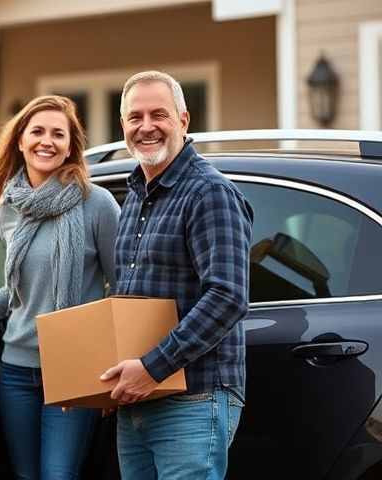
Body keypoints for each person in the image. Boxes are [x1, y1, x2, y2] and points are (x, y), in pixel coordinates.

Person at [0, 95, 121, 480]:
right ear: (20, 141)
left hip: (76, 365)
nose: (47, 141)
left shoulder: (98, 205)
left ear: (71, 146)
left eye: (59, 134)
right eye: (37, 131)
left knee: (58, 475)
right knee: (25, 476)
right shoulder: (10, 208)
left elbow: (123, 286)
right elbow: (20, 282)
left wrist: (109, 367)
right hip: (17, 368)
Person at [99, 71, 253, 479]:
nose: (146, 127)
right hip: (137, 401)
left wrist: (152, 367)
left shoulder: (209, 192)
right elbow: (130, 300)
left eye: (158, 115)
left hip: (193, 398)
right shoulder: (134, 198)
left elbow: (228, 297)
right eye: (135, 117)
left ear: (183, 121)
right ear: (123, 126)